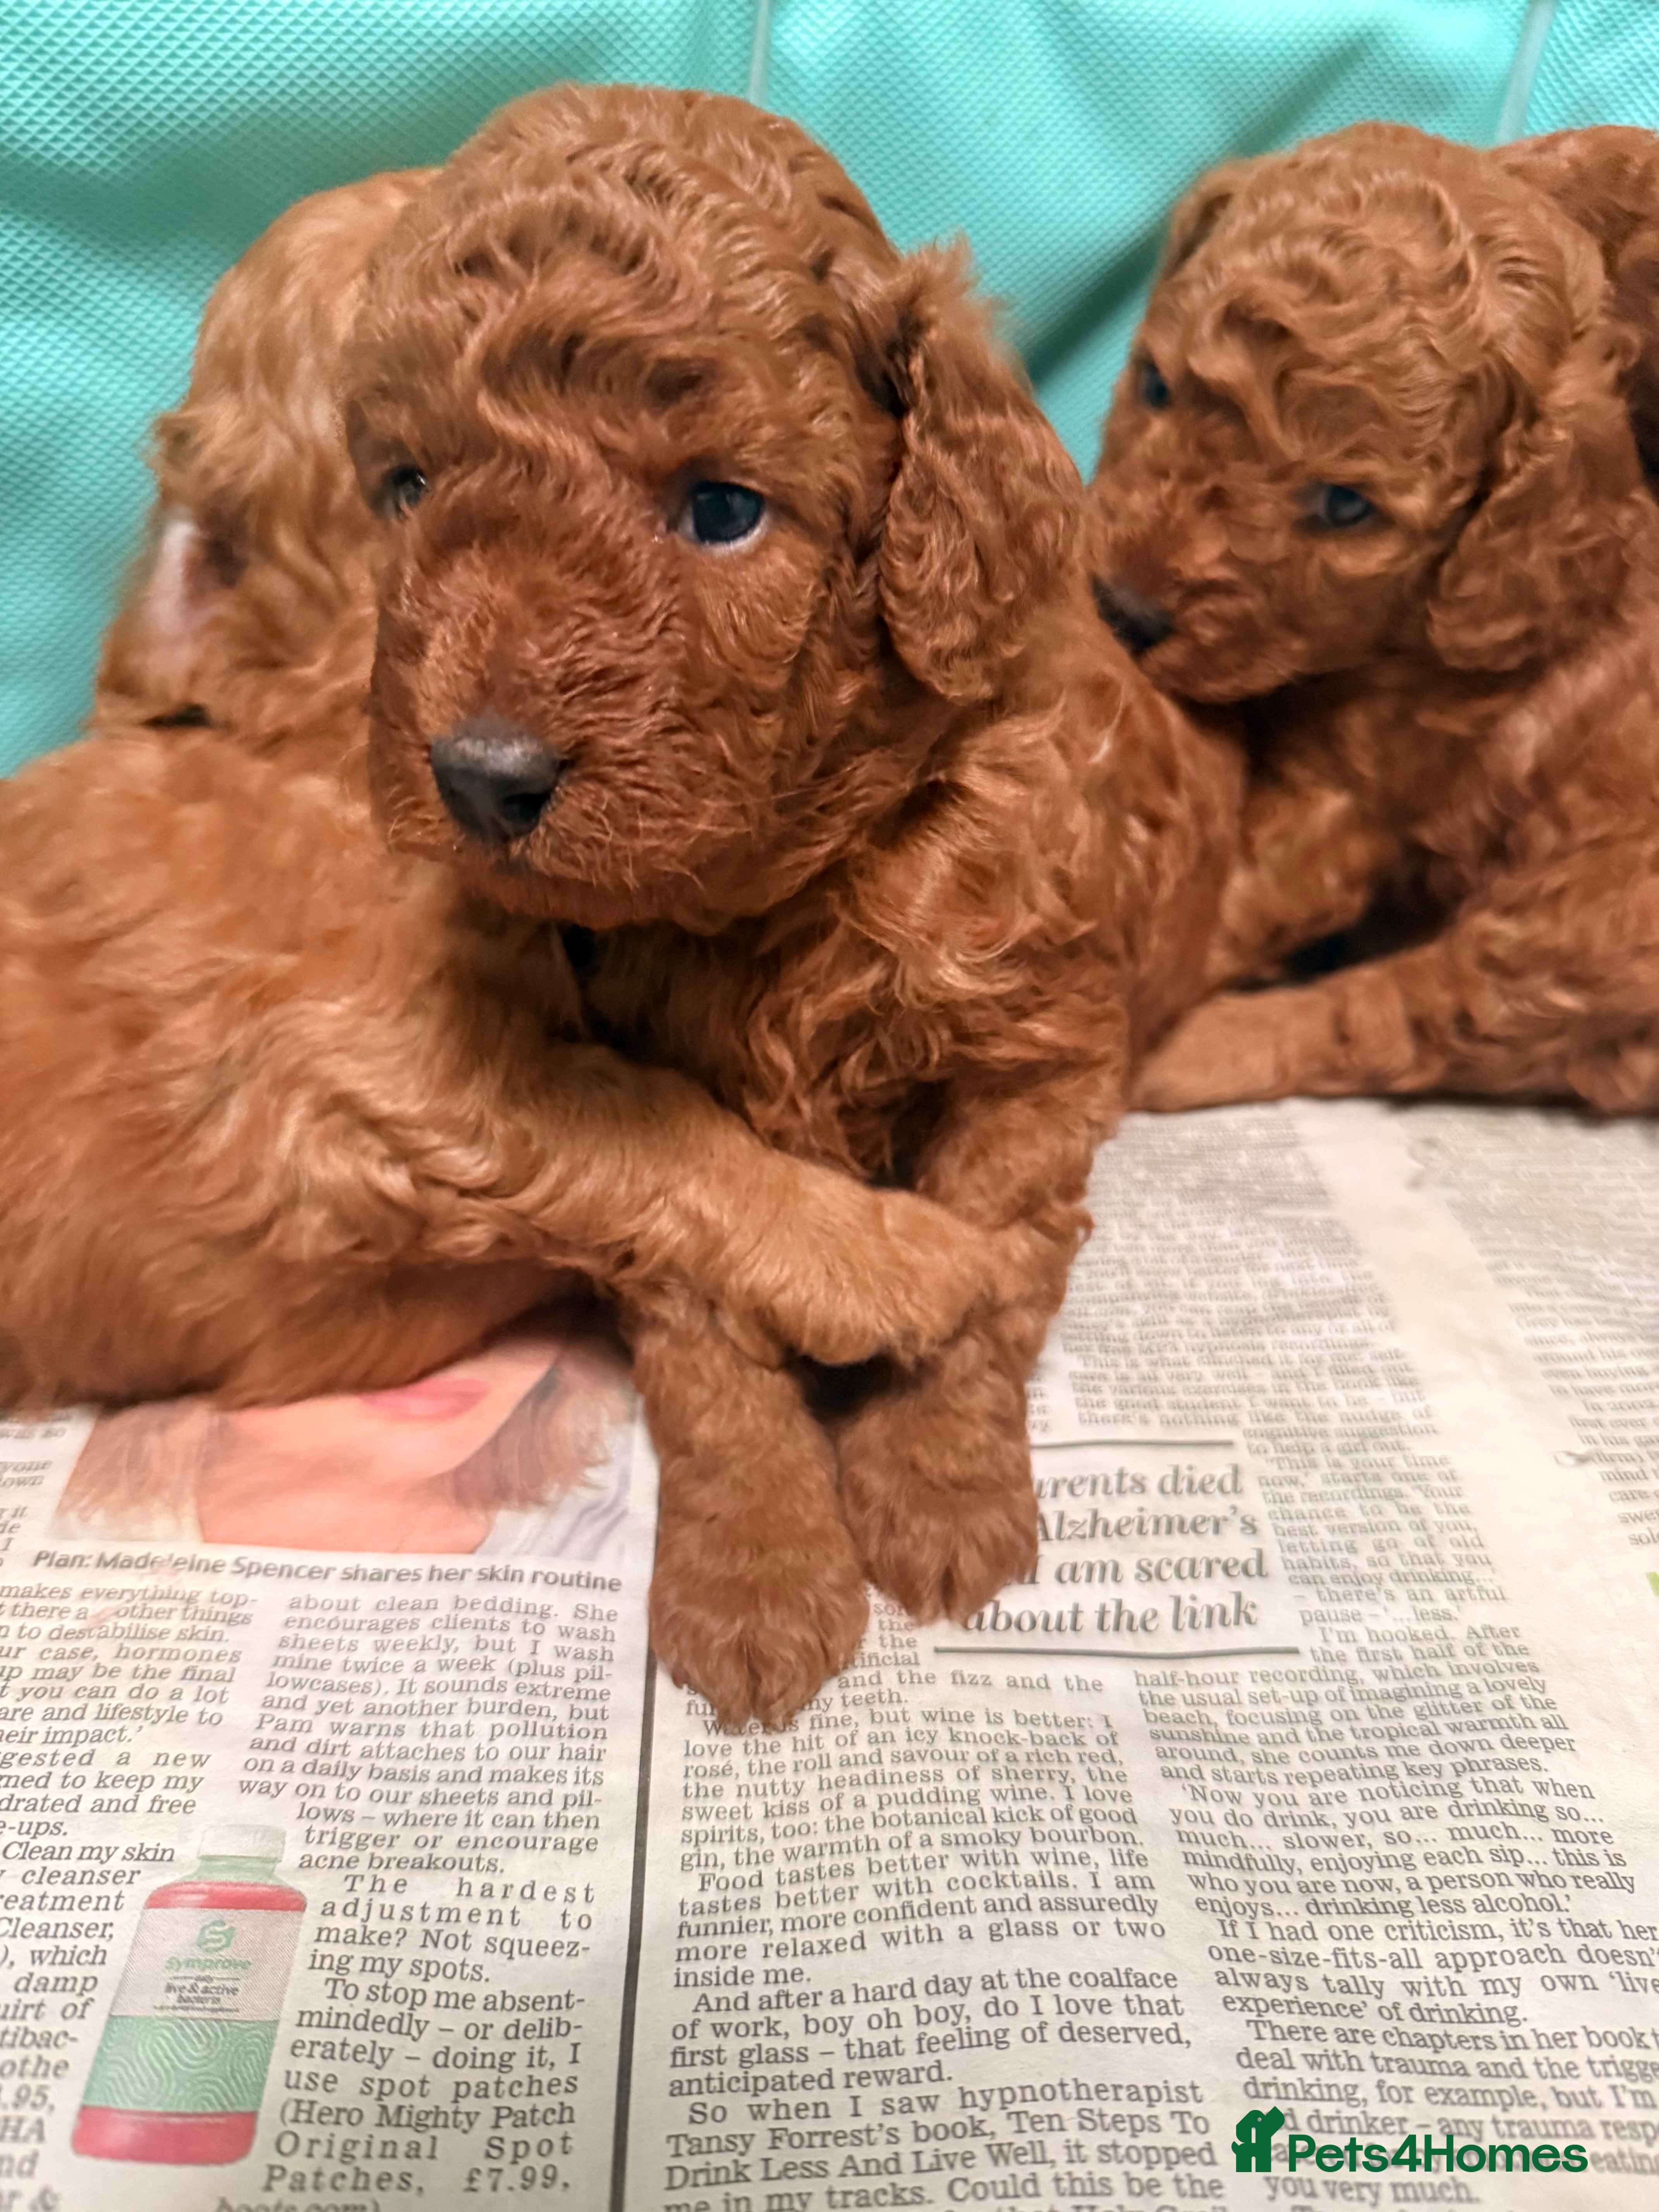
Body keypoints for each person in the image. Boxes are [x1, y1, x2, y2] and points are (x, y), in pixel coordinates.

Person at [53, 1305, 634, 1561]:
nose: (449, 1343)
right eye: (339, 1299)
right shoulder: (77, 1531)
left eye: (515, 1291)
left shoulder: (602, 1517)